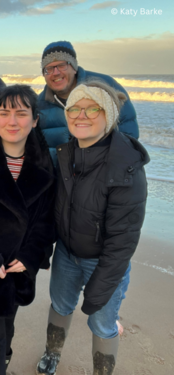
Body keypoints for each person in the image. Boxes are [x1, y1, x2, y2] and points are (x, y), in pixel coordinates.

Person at [36, 80, 149, 375]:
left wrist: (101, 285)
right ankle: (52, 354)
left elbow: (123, 240)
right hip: (67, 253)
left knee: (102, 321)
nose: (80, 115)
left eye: (92, 108)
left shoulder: (125, 165)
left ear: (108, 115)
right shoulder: (66, 153)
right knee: (60, 305)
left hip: (106, 261)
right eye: (74, 107)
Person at [0, 85, 56, 374]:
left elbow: (46, 221)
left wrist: (30, 256)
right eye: (4, 112)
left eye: (21, 113)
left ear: (35, 119)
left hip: (16, 272)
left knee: (6, 333)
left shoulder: (43, 164)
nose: (12, 121)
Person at [37, 41, 139, 164]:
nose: (56, 72)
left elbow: (128, 132)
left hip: (105, 173)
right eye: (48, 69)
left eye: (62, 65)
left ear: (74, 67)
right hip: (63, 179)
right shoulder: (39, 105)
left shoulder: (105, 86)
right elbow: (40, 149)